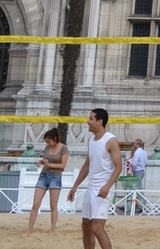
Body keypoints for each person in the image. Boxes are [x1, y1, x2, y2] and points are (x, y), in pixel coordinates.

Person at [68, 107, 122, 249]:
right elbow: (87, 164)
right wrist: (75, 186)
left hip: (103, 188)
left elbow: (118, 167)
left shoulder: (110, 140)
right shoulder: (92, 139)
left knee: (97, 228)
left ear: (100, 122)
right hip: (91, 187)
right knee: (86, 225)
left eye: (91, 119)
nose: (87, 121)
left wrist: (107, 186)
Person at [27, 126, 68, 233]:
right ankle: (30, 229)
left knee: (53, 205)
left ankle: (52, 229)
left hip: (55, 176)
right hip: (44, 175)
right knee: (35, 204)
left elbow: (62, 165)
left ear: (54, 139)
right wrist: (41, 161)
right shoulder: (47, 148)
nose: (47, 144)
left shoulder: (63, 148)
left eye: (48, 141)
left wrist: (49, 164)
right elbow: (46, 159)